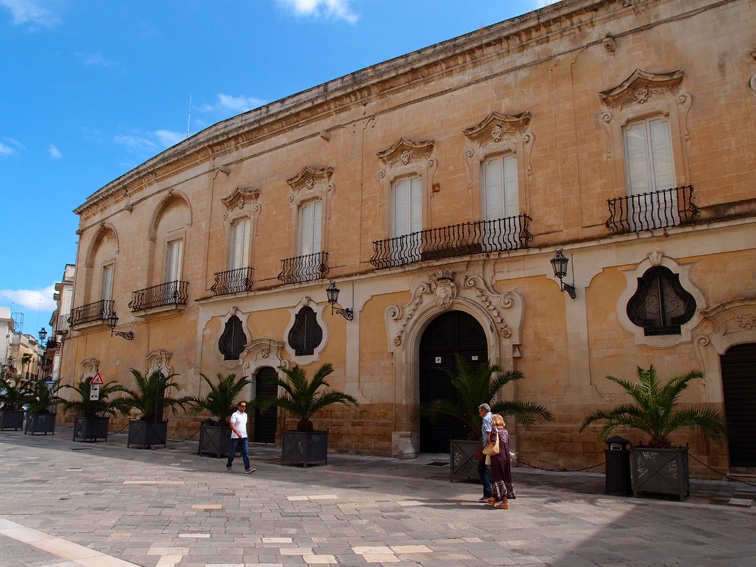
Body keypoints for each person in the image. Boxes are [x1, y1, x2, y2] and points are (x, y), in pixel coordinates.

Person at [487, 413, 516, 509]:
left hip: (497, 457)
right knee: (505, 476)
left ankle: (504, 501)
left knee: (497, 477)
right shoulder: (505, 431)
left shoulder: (494, 430)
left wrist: (489, 437)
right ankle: (493, 498)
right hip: (506, 456)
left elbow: (492, 442)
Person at [226, 401, 255, 474]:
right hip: (235, 437)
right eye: (242, 406)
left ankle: (247, 468)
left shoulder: (245, 415)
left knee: (245, 452)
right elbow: (232, 425)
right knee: (232, 452)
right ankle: (229, 465)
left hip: (244, 437)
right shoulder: (234, 415)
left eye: (245, 406)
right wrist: (237, 433)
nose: (244, 408)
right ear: (238, 406)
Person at [477, 403, 492, 502]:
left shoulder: (486, 419)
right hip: (492, 447)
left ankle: (488, 494)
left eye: (479, 412)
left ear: (484, 411)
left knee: (481, 469)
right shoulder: (493, 417)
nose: (479, 414)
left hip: (488, 447)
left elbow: (489, 433)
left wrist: (487, 448)